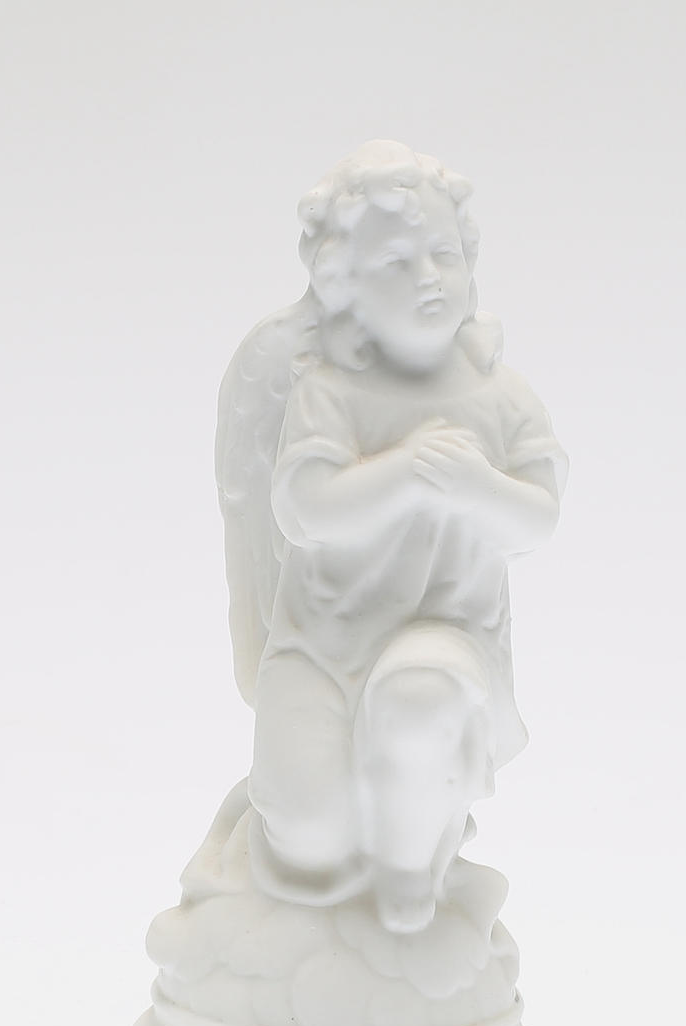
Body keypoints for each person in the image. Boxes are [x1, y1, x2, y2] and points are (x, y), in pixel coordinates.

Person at [241, 143, 567, 932]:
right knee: (309, 832)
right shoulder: (329, 391)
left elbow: (538, 518)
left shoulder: (500, 394)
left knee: (419, 708)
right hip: (323, 646)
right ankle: (301, 858)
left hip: (443, 638)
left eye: (443, 255)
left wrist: (479, 487)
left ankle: (408, 877)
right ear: (345, 288)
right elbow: (304, 510)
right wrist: (403, 471)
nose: (429, 278)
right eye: (396, 263)